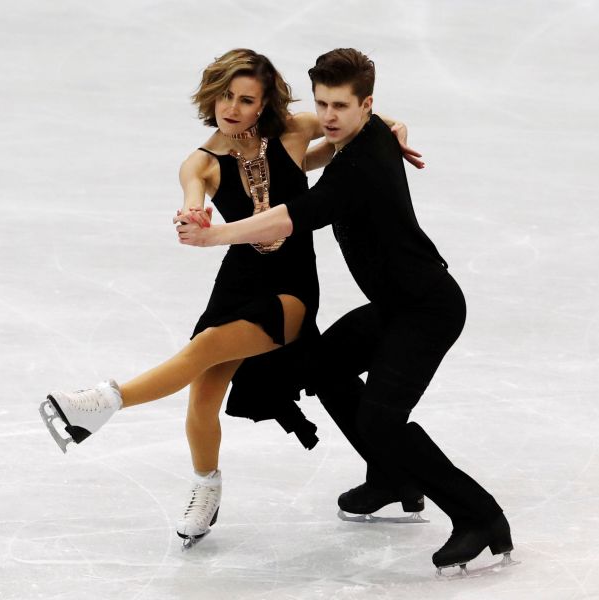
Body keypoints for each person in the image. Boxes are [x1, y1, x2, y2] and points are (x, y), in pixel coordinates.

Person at [39, 49, 421, 549]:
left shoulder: (295, 131)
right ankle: (206, 486)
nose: (233, 107)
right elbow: (192, 198)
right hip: (236, 283)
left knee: (199, 352)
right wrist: (191, 217)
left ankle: (103, 401)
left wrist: (398, 129)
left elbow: (368, 121)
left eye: (246, 99)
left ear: (264, 105)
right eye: (226, 96)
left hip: (290, 289)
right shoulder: (200, 162)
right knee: (202, 394)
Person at [175, 48, 514, 573]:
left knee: (382, 419)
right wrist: (393, 124)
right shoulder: (366, 134)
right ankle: (390, 478)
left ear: (365, 106)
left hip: (428, 310)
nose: (328, 117)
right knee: (322, 368)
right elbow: (382, 123)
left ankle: (481, 518)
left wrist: (216, 235)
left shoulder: (358, 167)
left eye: (340, 106)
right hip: (393, 306)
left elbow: (292, 216)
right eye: (322, 104)